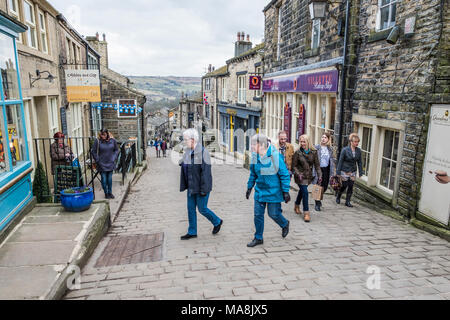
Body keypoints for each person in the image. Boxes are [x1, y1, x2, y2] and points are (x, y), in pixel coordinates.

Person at [246, 134, 291, 247]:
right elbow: (253, 173)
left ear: (261, 145)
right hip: (260, 191)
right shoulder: (255, 157)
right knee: (258, 215)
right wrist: (249, 187)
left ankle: (284, 224)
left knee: (273, 214)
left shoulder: (275, 156)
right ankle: (258, 237)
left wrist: (285, 191)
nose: (251, 146)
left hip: (273, 192)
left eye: (253, 144)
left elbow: (284, 174)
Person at [179, 128, 223, 240]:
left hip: (201, 186)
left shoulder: (204, 153)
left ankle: (217, 221)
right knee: (190, 209)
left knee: (202, 209)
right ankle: (192, 231)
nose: (184, 142)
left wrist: (204, 190)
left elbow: (206, 173)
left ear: (193, 140)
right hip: (191, 186)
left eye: (185, 140)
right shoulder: (188, 151)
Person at [292, 134, 322, 223]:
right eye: (300, 141)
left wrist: (320, 175)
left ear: (308, 142)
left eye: (304, 141)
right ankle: (306, 212)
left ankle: (296, 205)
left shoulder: (314, 152)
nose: (302, 143)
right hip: (300, 176)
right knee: (305, 192)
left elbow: (317, 165)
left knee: (302, 191)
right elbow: (294, 166)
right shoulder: (297, 152)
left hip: (308, 176)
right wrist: (298, 173)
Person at [336, 133, 363, 207]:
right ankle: (339, 195)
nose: (356, 143)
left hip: (353, 171)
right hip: (344, 170)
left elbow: (360, 162)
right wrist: (338, 172)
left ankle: (347, 201)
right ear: (351, 142)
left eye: (357, 142)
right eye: (355, 141)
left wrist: (361, 172)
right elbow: (340, 161)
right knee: (344, 185)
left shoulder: (358, 151)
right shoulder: (345, 150)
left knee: (351, 186)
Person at [91, 129, 119, 199]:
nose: (102, 136)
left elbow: (116, 150)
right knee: (103, 179)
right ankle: (106, 193)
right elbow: (93, 151)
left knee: (109, 179)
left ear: (107, 134)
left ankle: (110, 192)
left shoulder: (113, 141)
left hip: (110, 162)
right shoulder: (97, 141)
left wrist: (114, 157)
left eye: (104, 135)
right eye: (101, 135)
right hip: (102, 163)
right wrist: (97, 160)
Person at [313, 132, 336, 211]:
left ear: (328, 139)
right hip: (318, 169)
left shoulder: (330, 149)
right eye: (322, 137)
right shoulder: (316, 147)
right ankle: (317, 203)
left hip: (326, 169)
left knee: (325, 187)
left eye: (325, 137)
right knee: (318, 186)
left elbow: (332, 161)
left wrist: (332, 173)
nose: (323, 139)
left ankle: (319, 198)